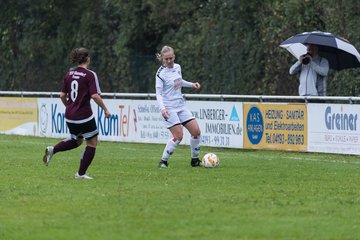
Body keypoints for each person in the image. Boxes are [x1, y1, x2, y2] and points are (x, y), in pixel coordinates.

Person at [42, 47, 111, 179]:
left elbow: (62, 94)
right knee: (92, 143)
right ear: (87, 59)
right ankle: (80, 173)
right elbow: (95, 96)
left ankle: (53, 150)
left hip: (70, 115)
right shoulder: (90, 75)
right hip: (84, 115)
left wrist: (69, 106)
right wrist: (105, 109)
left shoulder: (69, 74)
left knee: (77, 140)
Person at [155, 46, 202, 168]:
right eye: (166, 59)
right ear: (162, 59)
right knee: (178, 136)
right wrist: (162, 109)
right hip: (169, 108)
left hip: (180, 106)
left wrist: (192, 85)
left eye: (171, 58)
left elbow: (179, 82)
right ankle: (163, 161)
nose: (169, 61)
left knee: (196, 131)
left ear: (174, 56)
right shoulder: (160, 74)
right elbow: (158, 94)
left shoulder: (177, 67)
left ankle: (195, 160)